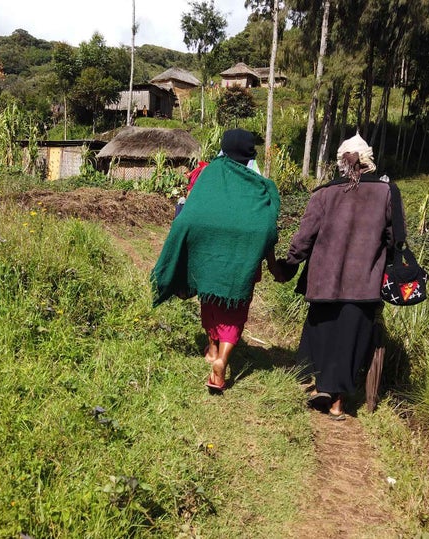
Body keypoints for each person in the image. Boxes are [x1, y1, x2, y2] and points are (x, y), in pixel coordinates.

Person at [150, 129, 283, 392]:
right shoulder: (259, 184)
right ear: (249, 155)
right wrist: (269, 258)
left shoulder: (208, 173)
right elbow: (268, 225)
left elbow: (191, 212)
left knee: (210, 298)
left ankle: (212, 350)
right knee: (235, 308)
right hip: (243, 257)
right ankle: (223, 358)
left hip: (208, 254)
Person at [276, 134, 394, 420]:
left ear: (341, 163)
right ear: (368, 160)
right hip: (363, 284)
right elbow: (394, 239)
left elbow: (305, 237)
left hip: (323, 282)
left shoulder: (323, 193)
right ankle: (337, 402)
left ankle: (319, 384)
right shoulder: (386, 193)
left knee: (324, 334)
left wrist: (289, 264)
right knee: (350, 340)